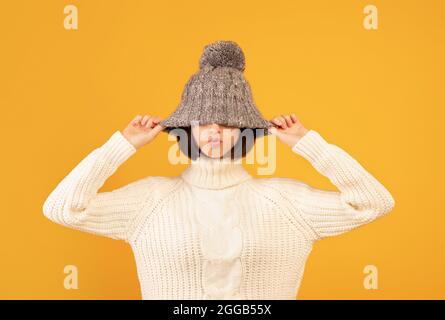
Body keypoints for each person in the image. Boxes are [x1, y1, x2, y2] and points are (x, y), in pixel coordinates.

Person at [42, 41, 395, 300]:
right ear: (187, 128)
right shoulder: (149, 199)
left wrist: (308, 143)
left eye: (226, 122)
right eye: (203, 122)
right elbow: (63, 209)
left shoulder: (285, 202)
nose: (214, 131)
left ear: (244, 129)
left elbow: (373, 203)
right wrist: (122, 145)